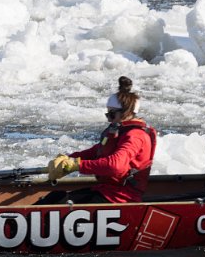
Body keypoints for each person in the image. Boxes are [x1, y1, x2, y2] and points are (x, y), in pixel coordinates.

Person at [38, 76, 157, 205]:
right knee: (56, 196)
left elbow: (115, 165)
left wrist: (78, 165)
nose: (109, 120)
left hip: (120, 198)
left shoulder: (135, 136)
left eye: (111, 115)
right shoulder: (121, 132)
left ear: (126, 112)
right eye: (107, 115)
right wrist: (68, 159)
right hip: (105, 191)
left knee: (60, 203)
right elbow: (96, 151)